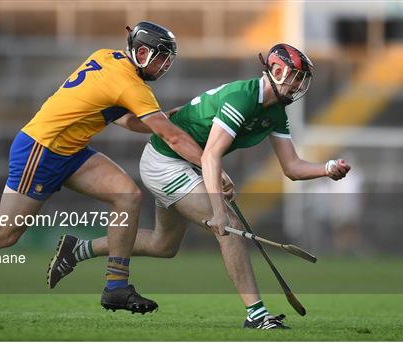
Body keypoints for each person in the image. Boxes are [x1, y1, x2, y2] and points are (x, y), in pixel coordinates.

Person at [0, 21, 210, 320]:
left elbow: (126, 120)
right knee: (5, 232)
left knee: (127, 196)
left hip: (70, 150)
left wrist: (162, 118)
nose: (164, 65)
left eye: (167, 59)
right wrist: (208, 166)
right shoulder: (130, 84)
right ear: (141, 51)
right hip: (40, 150)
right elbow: (169, 137)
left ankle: (116, 286)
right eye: (159, 57)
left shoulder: (108, 57)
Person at [48, 43, 351, 329]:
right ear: (278, 71)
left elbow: (292, 168)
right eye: (296, 78)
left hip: (188, 163)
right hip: (166, 162)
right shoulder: (244, 97)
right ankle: (257, 315)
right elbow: (211, 156)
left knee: (163, 245)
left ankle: (77, 250)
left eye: (302, 81)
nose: (298, 86)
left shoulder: (275, 113)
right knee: (229, 228)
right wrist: (218, 210)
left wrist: (327, 169)